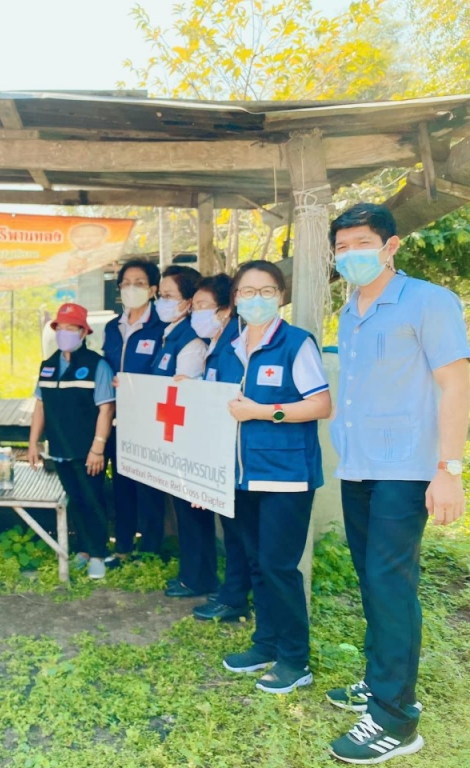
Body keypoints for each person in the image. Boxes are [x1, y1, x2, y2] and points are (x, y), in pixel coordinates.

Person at [326, 203, 469, 764]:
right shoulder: (351, 310)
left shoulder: (429, 301)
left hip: (406, 468)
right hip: (359, 465)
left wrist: (449, 470)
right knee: (373, 579)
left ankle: (395, 717)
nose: (350, 255)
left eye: (361, 243)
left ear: (391, 246)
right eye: (341, 247)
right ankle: (379, 676)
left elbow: (455, 384)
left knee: (390, 583)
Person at [219, 260, 331, 696]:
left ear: (280, 296)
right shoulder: (232, 347)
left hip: (287, 476)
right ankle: (265, 644)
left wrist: (266, 412)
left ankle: (295, 659)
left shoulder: (295, 343)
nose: (256, 299)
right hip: (243, 476)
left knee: (278, 566)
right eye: (247, 291)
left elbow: (320, 404)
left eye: (266, 290)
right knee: (256, 562)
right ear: (236, 299)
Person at [28, 302, 115, 580]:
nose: (63, 333)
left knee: (93, 501)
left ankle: (99, 555)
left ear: (83, 332)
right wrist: (33, 443)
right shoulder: (48, 366)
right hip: (60, 450)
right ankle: (84, 551)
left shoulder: (97, 365)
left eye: (70, 328)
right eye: (60, 328)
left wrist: (98, 448)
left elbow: (106, 409)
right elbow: (40, 407)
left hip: (88, 451)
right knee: (75, 501)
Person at [186, 274, 253, 623]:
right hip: (221, 448)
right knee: (232, 528)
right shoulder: (216, 344)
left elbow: (227, 396)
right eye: (193, 306)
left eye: (202, 306)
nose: (195, 312)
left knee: (239, 531)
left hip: (235, 451)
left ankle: (235, 597)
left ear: (226, 310)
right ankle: (232, 591)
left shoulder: (233, 346)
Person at [150, 265, 217, 599]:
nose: (161, 302)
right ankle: (190, 574)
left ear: (188, 302)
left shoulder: (191, 342)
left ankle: (199, 578)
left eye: (168, 296)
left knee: (194, 512)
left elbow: (185, 393)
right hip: (173, 437)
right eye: (160, 296)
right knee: (183, 511)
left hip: (188, 439)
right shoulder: (170, 334)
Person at [102, 258, 167, 563]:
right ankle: (123, 547)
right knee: (122, 484)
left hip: (152, 419)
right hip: (118, 417)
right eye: (126, 283)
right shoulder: (112, 328)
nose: (132, 289)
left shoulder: (161, 327)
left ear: (153, 290)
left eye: (139, 283)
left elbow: (165, 372)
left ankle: (151, 551)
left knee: (149, 486)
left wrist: (134, 386)